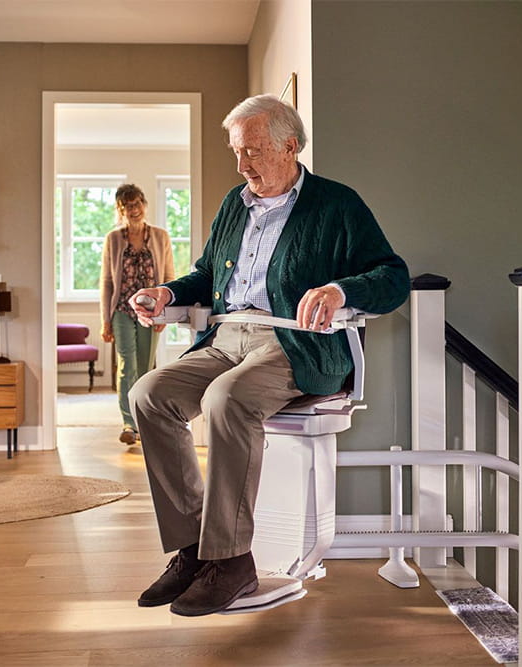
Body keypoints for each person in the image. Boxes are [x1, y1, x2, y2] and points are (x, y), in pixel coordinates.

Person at [128, 94, 410, 617]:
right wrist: (167, 293)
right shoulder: (234, 205)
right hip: (226, 337)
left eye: (253, 151)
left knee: (227, 398)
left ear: (290, 146)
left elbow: (393, 277)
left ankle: (231, 560)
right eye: (237, 151)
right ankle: (194, 551)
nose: (242, 165)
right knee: (148, 394)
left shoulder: (336, 204)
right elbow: (207, 276)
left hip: (295, 343)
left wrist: (339, 291)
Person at [99, 184, 175, 445]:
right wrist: (105, 320)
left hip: (151, 311)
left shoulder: (160, 237)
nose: (134, 210)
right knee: (126, 365)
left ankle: (143, 420)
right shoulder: (113, 239)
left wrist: (165, 313)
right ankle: (128, 424)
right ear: (120, 210)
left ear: (144, 204)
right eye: (127, 206)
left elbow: (169, 277)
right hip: (121, 310)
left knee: (145, 367)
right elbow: (106, 282)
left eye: (137, 203)